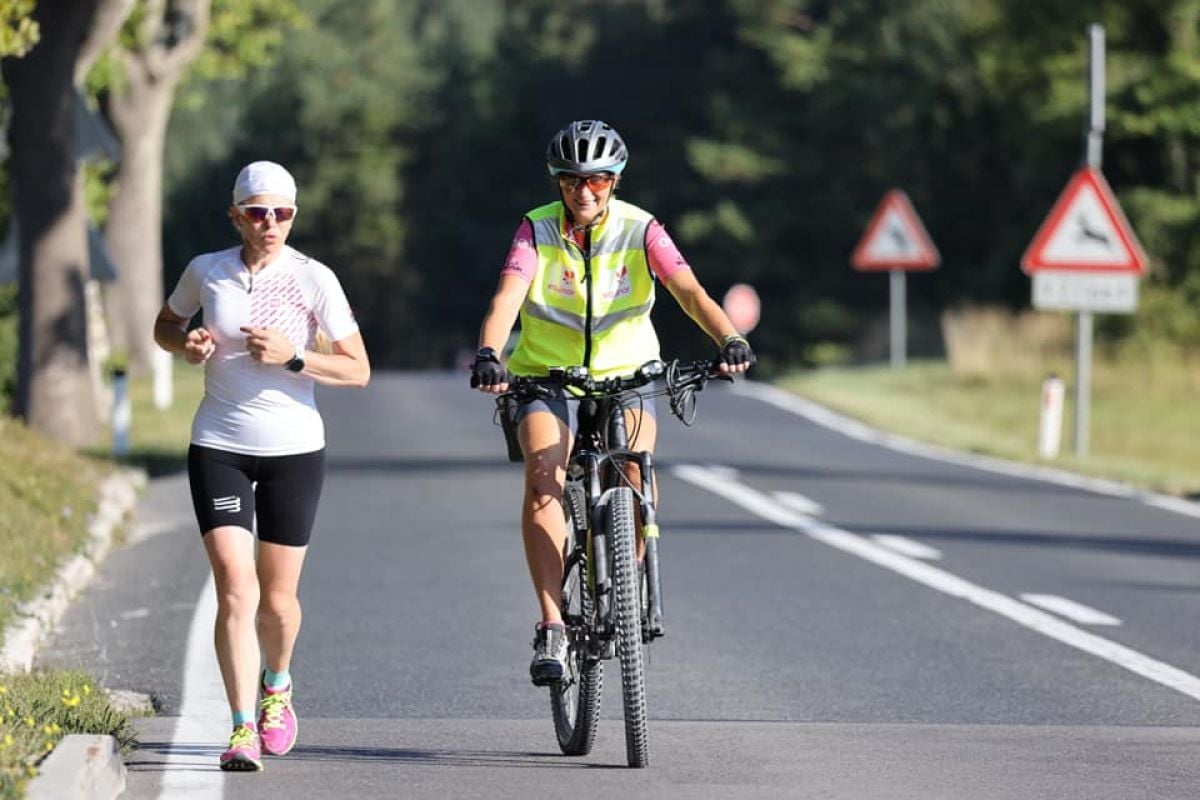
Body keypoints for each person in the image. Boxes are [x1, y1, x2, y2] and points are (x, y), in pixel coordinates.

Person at [470, 120, 755, 686]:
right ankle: (552, 625)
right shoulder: (535, 230)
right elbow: (508, 296)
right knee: (543, 475)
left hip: (628, 373)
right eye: (572, 181)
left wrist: (729, 339)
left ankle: (627, 570)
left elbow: (689, 291)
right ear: (558, 183)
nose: (585, 192)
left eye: (597, 180)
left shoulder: (641, 229)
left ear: (615, 181)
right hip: (546, 377)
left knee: (632, 466)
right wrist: (488, 352)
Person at [153, 161, 370, 771]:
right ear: (235, 216)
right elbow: (166, 326)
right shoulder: (207, 271)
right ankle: (242, 726)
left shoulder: (314, 278)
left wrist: (294, 357)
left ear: (294, 216)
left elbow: (358, 369)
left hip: (294, 451)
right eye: (256, 212)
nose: (269, 222)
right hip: (219, 442)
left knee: (277, 601)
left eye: (281, 212)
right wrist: (187, 343)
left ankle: (278, 684)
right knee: (235, 586)